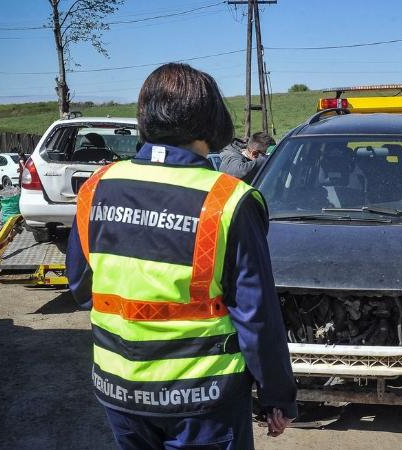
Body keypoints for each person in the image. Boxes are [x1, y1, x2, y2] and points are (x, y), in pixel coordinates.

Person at [66, 63, 297, 449]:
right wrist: (277, 395)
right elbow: (257, 318)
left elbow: (80, 286)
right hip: (202, 400)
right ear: (210, 119)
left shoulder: (96, 189)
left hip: (119, 389)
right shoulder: (228, 200)